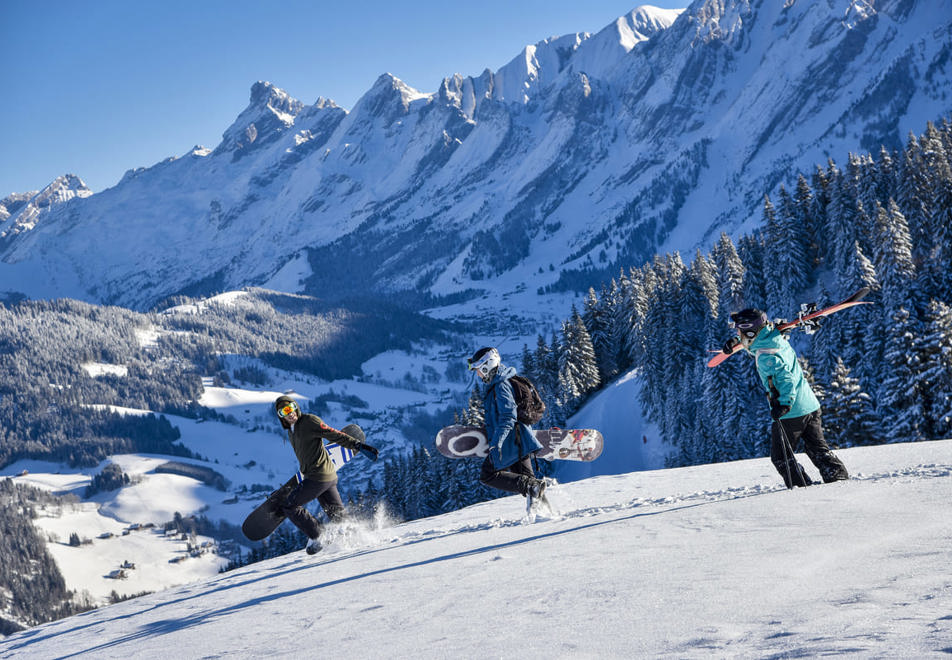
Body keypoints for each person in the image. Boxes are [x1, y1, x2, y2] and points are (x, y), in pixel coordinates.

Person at [723, 309, 849, 488]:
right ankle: (839, 480)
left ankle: (800, 489)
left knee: (781, 457)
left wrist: (784, 404)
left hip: (792, 413)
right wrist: (738, 342)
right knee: (818, 449)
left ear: (750, 330)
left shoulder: (767, 356)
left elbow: (785, 380)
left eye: (738, 330)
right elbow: (758, 346)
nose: (736, 332)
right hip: (809, 405)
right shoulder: (774, 339)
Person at [272, 395, 379, 554]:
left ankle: (319, 535)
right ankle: (362, 541)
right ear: (281, 416)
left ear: (296, 407)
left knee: (290, 506)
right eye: (284, 412)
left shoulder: (309, 422)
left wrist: (357, 445)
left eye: (291, 408)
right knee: (339, 518)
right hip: (325, 477)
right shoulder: (291, 432)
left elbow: (333, 434)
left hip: (318, 477)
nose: (290, 413)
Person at [467, 347, 547, 501]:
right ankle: (548, 515)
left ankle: (534, 490)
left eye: (478, 369)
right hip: (518, 441)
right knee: (532, 487)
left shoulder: (501, 385)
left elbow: (509, 416)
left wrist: (497, 442)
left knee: (488, 475)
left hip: (510, 442)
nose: (477, 373)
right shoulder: (498, 383)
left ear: (487, 365)